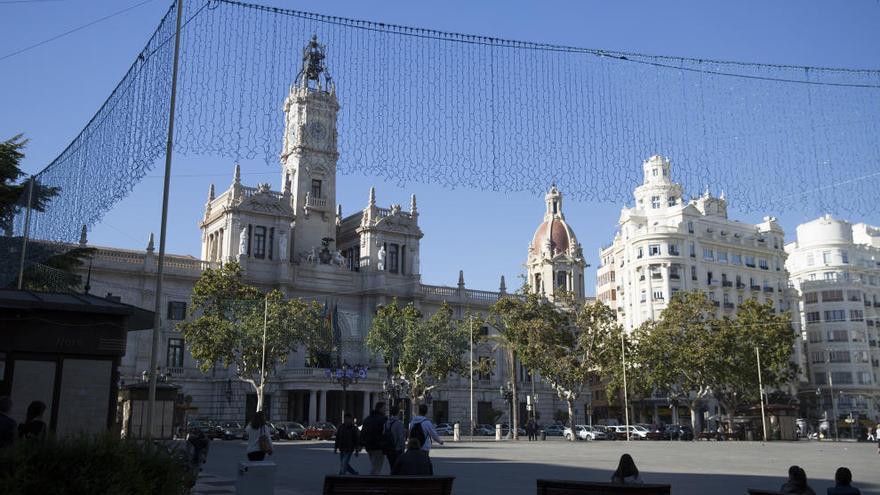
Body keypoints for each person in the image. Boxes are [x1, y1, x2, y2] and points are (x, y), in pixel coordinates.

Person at [361, 401, 388, 475]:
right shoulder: (383, 419)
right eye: (384, 408)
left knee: (374, 465)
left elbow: (363, 432)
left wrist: (361, 443)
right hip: (379, 446)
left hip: (369, 446)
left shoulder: (367, 419)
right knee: (377, 467)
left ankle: (373, 480)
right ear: (380, 409)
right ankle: (373, 482)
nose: (386, 410)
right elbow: (386, 433)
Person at [383, 405, 405, 470]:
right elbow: (401, 437)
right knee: (397, 468)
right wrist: (403, 448)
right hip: (397, 449)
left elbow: (383, 434)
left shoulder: (386, 423)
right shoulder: (399, 423)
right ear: (398, 412)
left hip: (388, 448)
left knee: (392, 466)